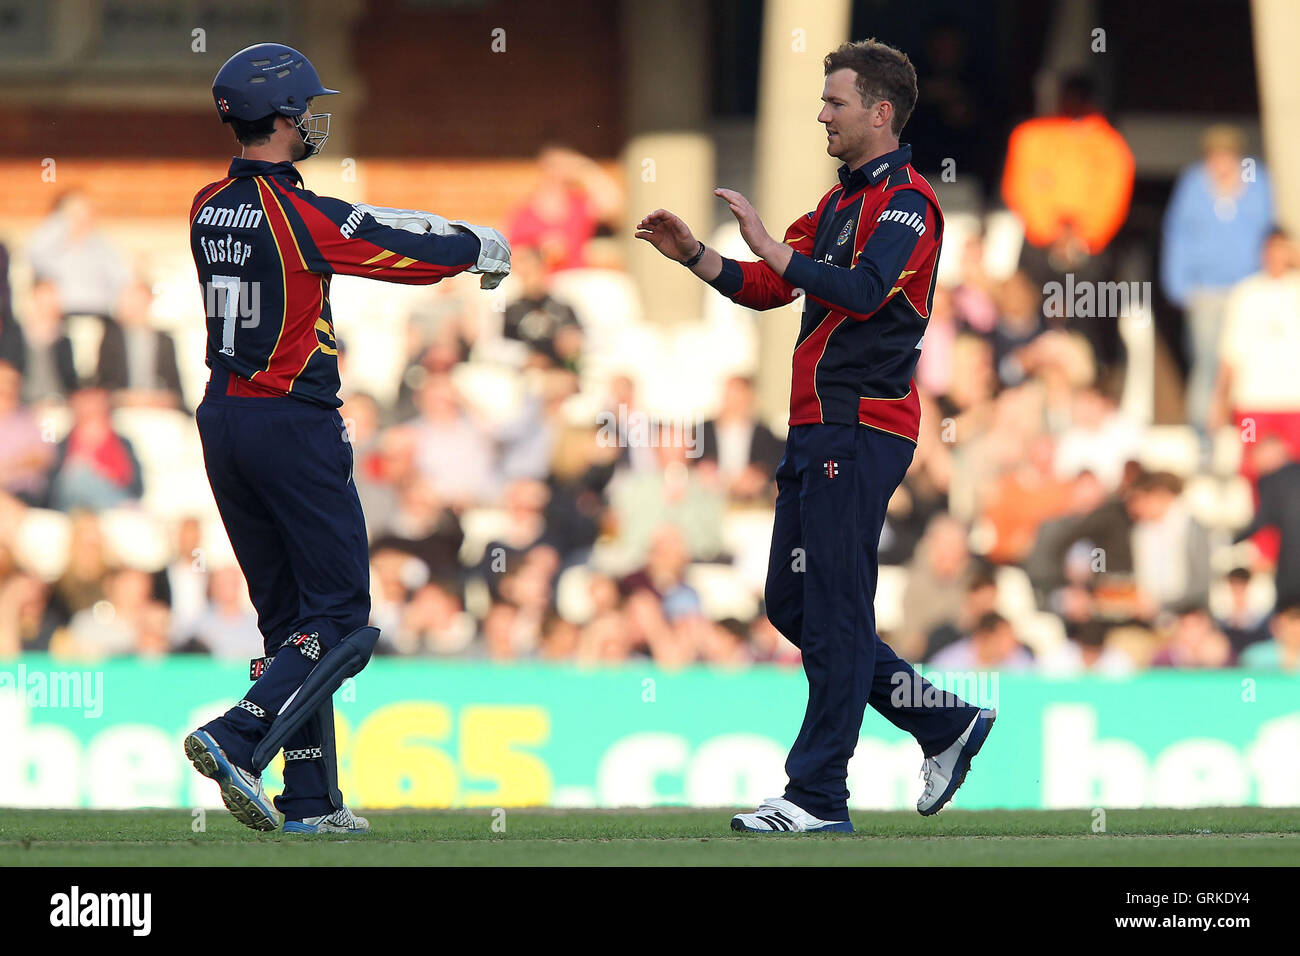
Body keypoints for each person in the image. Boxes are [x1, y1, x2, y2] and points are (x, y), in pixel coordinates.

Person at [636, 38, 993, 834]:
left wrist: (775, 252)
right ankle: (941, 722)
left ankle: (817, 797)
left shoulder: (907, 203)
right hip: (815, 429)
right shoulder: (835, 204)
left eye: (836, 102)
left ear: (880, 111)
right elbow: (766, 285)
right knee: (796, 603)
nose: (822, 114)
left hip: (861, 426)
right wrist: (696, 254)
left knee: (833, 609)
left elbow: (864, 292)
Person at [182, 42, 509, 836]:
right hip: (291, 421)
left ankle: (310, 800)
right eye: (307, 109)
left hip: (222, 417)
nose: (313, 121)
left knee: (288, 620)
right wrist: (474, 247)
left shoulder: (203, 202)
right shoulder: (299, 213)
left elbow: (353, 227)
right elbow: (399, 251)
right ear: (286, 117)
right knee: (343, 618)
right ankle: (239, 734)